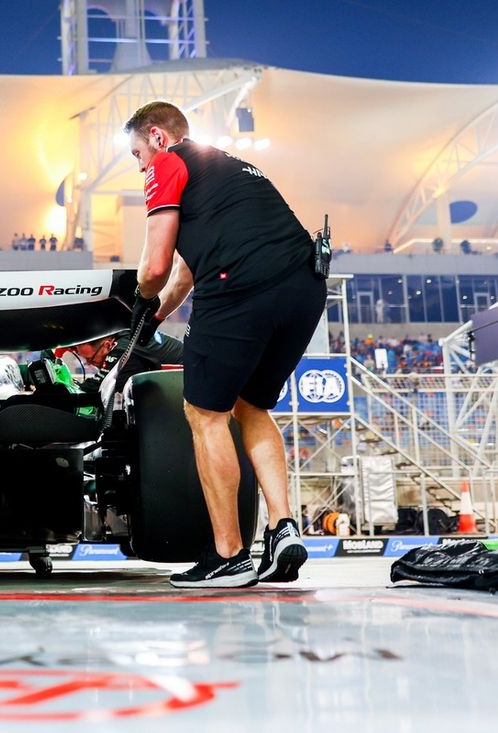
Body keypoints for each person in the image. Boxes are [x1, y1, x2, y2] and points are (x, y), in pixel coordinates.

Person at [124, 100, 325, 588]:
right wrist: (158, 314)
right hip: (305, 286)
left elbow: (154, 269)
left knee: (204, 414)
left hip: (241, 290)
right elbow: (186, 270)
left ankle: (229, 555)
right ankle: (282, 529)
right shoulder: (232, 168)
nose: (141, 165)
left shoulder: (167, 162)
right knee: (251, 406)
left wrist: (133, 305)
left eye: (137, 155)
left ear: (157, 136)